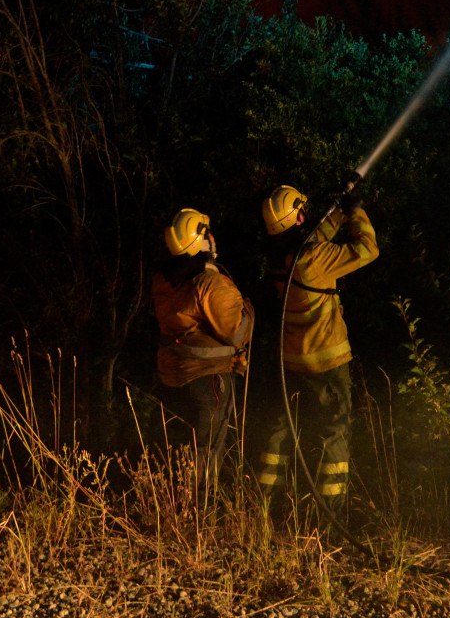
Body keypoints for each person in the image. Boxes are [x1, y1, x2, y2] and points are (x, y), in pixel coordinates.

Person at [255, 184, 379, 520]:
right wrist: (356, 211)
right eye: (302, 211)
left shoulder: (279, 258)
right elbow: (367, 249)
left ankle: (263, 508)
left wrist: (337, 209)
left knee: (280, 433)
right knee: (334, 434)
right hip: (326, 362)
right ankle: (330, 516)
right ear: (296, 215)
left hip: (291, 363)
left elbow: (311, 239)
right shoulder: (312, 261)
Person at [152, 207, 254, 490]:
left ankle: (173, 506)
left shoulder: (164, 280)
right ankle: (199, 512)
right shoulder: (210, 282)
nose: (213, 238)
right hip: (208, 381)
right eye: (208, 234)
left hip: (174, 379)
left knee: (180, 448)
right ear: (200, 240)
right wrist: (246, 305)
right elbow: (238, 333)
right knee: (206, 450)